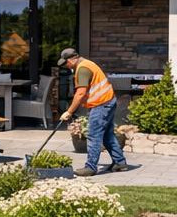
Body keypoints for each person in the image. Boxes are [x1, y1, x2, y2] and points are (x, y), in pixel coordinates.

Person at [56, 48, 131, 177]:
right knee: (107, 135)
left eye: (66, 63)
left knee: (93, 135)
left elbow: (80, 93)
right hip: (108, 101)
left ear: (72, 59)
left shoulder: (83, 69)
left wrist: (69, 111)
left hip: (101, 104)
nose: (66, 66)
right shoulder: (88, 63)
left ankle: (90, 167)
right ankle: (120, 162)